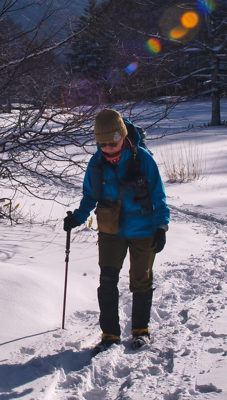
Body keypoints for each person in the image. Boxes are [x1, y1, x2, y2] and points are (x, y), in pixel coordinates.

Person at [63, 108, 170, 354]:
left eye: (112, 143)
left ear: (123, 137)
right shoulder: (96, 163)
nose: (108, 149)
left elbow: (159, 196)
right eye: (102, 144)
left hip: (144, 230)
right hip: (111, 231)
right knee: (107, 281)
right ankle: (109, 335)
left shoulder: (143, 158)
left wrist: (161, 226)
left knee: (141, 280)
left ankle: (141, 331)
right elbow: (90, 197)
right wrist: (77, 218)